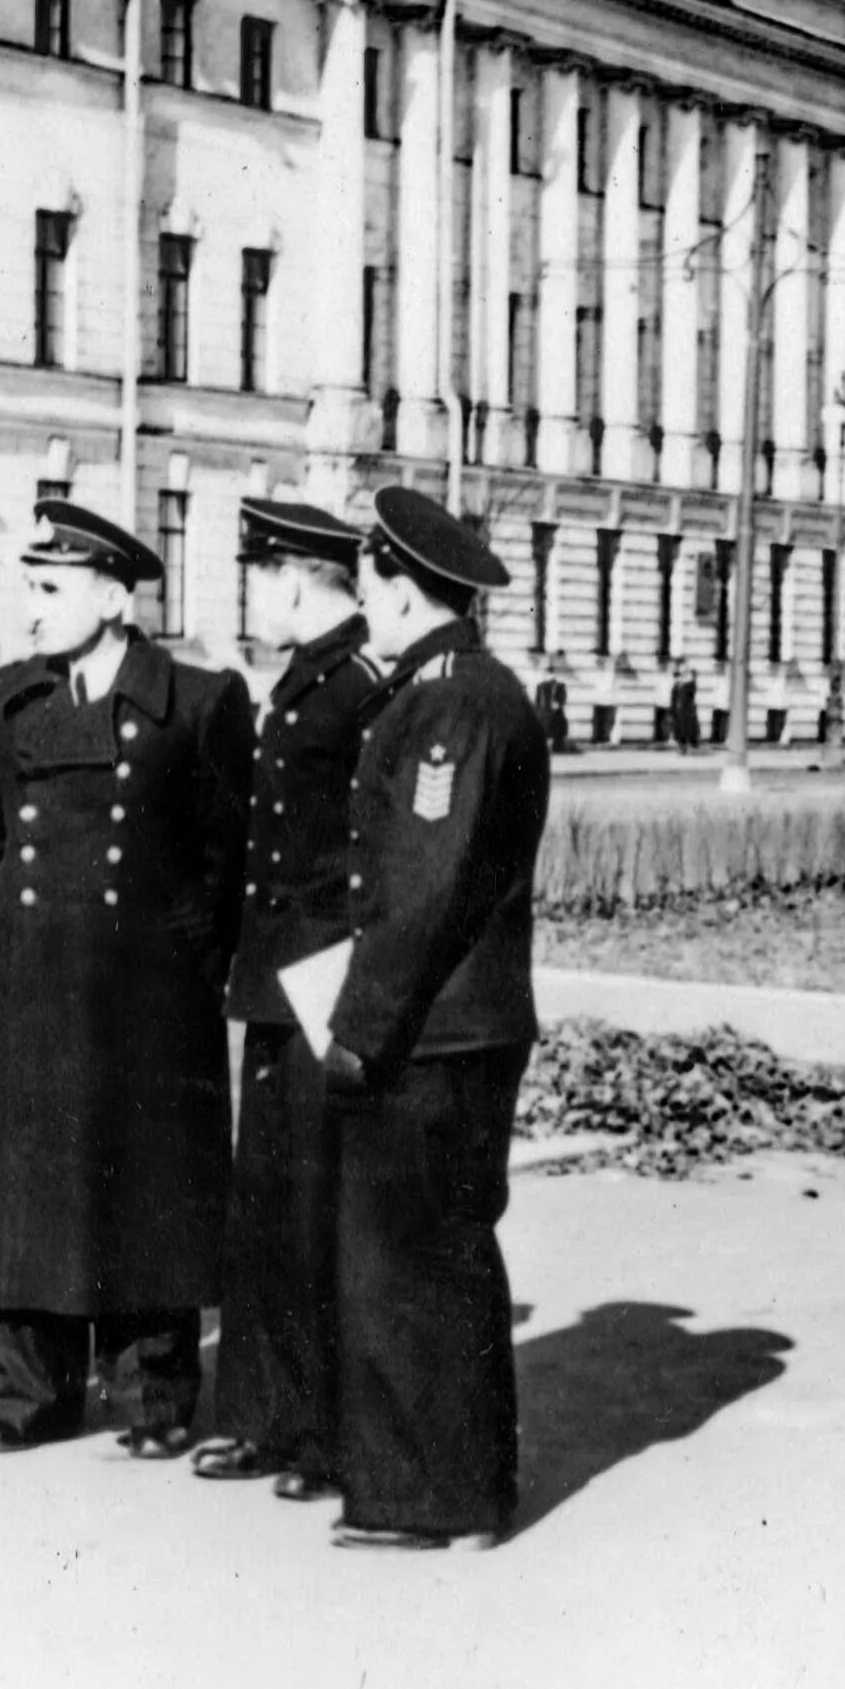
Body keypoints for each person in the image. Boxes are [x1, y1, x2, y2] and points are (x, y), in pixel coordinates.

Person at [0, 501, 254, 1458]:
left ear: (115, 598)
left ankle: (153, 1394)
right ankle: (27, 1396)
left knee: (148, 1181)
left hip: (149, 980)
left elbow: (222, 856)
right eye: (26, 587)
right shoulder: (1, 697)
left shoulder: (200, 702)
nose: (28, 609)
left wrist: (178, 963)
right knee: (22, 1185)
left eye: (49, 588)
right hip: (29, 973)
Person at [318, 487, 552, 1552]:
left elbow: (423, 881)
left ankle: (433, 1496)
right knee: (448, 1250)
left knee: (405, 1259)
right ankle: (460, 1492)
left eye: (370, 589)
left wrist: (359, 1027)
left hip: (430, 1033)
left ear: (404, 590)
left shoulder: (448, 704)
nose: (363, 611)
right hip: (467, 1025)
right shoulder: (476, 690)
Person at [190, 500, 391, 1501]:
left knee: (312, 1211)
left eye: (258, 580)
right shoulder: (309, 680)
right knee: (263, 1204)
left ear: (300, 582)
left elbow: (371, 851)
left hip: (323, 983)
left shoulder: (358, 685)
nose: (250, 598)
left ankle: (317, 1434)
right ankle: (260, 1420)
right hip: (277, 983)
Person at [668, 663, 700, 755]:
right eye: (681, 671)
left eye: (684, 671)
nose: (682, 673)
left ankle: (689, 748)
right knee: (679, 730)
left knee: (688, 729)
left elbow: (691, 695)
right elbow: (673, 697)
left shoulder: (690, 682)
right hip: (678, 710)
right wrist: (672, 709)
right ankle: (681, 748)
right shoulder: (677, 682)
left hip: (687, 710)